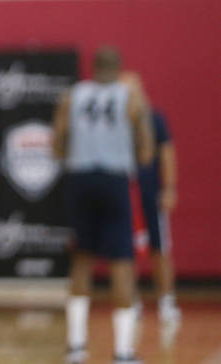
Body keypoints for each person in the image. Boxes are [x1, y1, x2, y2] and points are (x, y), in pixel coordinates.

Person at [53, 46, 154, 364]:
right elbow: (147, 151)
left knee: (81, 259)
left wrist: (73, 156)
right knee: (122, 261)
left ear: (92, 68)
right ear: (119, 67)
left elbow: (58, 140)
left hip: (80, 178)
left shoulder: (74, 95)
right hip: (113, 179)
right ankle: (123, 352)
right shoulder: (131, 96)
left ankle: (76, 347)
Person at [122, 72, 180, 327]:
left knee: (160, 249)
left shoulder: (155, 120)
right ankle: (130, 301)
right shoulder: (115, 122)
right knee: (125, 251)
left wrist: (169, 188)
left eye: (133, 91)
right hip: (123, 197)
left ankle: (166, 301)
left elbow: (167, 155)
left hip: (150, 194)